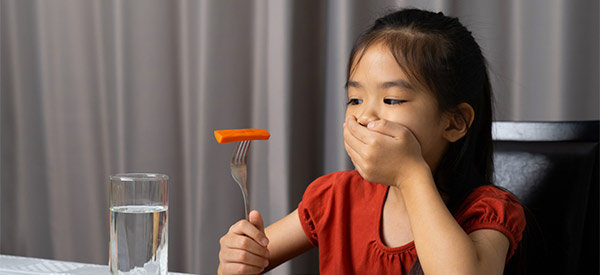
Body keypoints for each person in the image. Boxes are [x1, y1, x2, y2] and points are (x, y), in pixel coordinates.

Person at [218, 8, 526, 275]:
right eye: (355, 99)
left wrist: (410, 174)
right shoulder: (336, 197)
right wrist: (237, 259)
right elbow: (248, 261)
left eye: (391, 100)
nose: (364, 116)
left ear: (455, 122)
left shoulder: (487, 210)